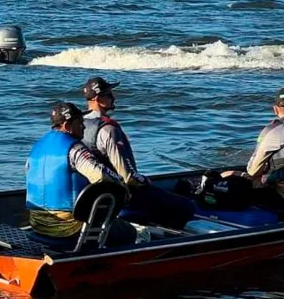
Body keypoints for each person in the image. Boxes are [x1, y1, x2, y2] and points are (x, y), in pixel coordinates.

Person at [82, 77, 195, 229]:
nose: (113, 98)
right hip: (120, 196)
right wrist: (145, 181)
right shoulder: (108, 130)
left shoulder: (80, 123)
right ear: (97, 98)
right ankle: (164, 239)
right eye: (109, 94)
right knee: (187, 207)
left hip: (94, 193)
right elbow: (127, 176)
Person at [26, 102, 136, 247]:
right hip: (69, 228)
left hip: (38, 224)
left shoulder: (36, 147)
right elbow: (102, 175)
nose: (84, 126)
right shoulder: (75, 149)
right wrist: (123, 185)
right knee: (129, 232)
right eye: (80, 123)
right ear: (67, 126)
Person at [225, 88, 284, 203]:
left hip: (279, 195)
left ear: (275, 110)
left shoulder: (274, 131)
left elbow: (253, 170)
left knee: (227, 175)